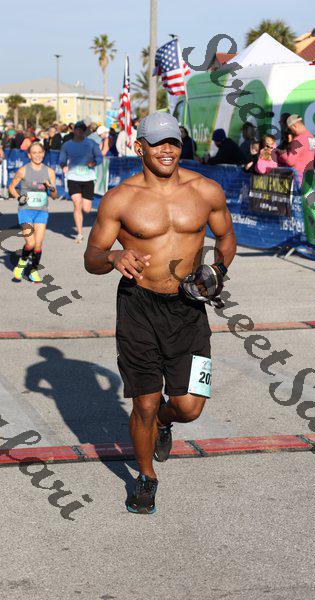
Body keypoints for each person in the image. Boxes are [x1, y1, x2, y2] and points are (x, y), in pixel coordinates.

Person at [84, 112, 236, 514]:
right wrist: (113, 257)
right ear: (140, 148)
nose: (167, 150)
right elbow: (92, 256)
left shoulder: (205, 191)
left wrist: (217, 271)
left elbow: (226, 237)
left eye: (173, 143)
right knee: (145, 403)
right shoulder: (121, 198)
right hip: (138, 307)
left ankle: (165, 422)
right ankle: (146, 477)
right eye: (158, 144)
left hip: (189, 309)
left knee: (190, 407)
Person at [8, 141, 57, 283]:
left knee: (38, 244)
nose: (37, 155)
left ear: (44, 153)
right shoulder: (23, 170)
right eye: (34, 153)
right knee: (30, 243)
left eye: (40, 152)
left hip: (41, 211)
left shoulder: (49, 172)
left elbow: (54, 196)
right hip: (26, 210)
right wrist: (19, 197)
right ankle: (21, 265)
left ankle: (33, 271)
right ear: (29, 155)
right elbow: (11, 187)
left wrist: (51, 187)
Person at [59, 121, 103, 243]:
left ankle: (89, 228)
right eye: (77, 129)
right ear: (74, 131)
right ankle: (79, 233)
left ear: (84, 132)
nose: (79, 132)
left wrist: (94, 162)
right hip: (73, 177)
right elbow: (61, 159)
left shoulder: (91, 143)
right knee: (77, 204)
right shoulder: (67, 145)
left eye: (81, 130)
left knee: (87, 209)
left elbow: (99, 157)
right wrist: (63, 166)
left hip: (88, 178)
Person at [278, 114, 315, 185]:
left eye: (290, 129)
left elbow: (290, 161)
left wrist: (282, 153)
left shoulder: (298, 140)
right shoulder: (312, 138)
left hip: (298, 178)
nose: (292, 132)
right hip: (309, 176)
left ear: (294, 126)